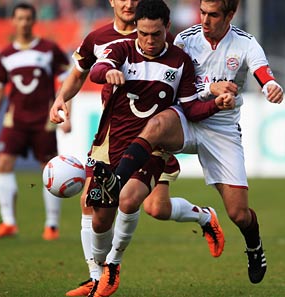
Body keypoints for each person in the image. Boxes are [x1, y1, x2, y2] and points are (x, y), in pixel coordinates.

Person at [93, 0, 284, 288]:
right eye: (203, 13)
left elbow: (263, 73)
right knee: (156, 127)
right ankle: (116, 182)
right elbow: (186, 96)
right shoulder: (186, 39)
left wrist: (271, 87)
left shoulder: (246, 44)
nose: (205, 20)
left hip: (221, 128)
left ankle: (254, 246)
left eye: (213, 15)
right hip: (186, 119)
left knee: (238, 214)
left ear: (230, 15)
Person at [49, 1, 226, 296]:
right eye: (143, 33)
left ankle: (112, 270)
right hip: (110, 141)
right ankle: (96, 277)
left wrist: (214, 104)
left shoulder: (178, 58)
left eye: (155, 34)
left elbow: (190, 106)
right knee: (104, 212)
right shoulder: (113, 46)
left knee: (131, 201)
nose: (148, 39)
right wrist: (74, 91)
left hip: (152, 146)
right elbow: (92, 70)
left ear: (165, 29)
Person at [0, 2, 70, 241]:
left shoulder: (49, 49)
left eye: (28, 18)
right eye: (19, 18)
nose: (24, 23)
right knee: (3, 164)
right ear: (13, 21)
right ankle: (9, 222)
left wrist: (65, 114)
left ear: (34, 21)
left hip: (44, 120)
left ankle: (51, 225)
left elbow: (67, 83)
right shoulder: (6, 55)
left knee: (50, 172)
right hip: (16, 120)